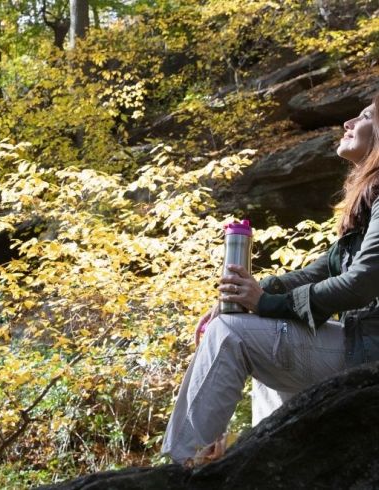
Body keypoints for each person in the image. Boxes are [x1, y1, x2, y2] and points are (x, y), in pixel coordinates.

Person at [162, 96, 379, 465]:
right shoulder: (366, 206)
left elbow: (362, 282)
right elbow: (318, 271)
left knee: (230, 333)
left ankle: (180, 466)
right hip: (362, 347)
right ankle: (263, 471)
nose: (348, 122)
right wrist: (249, 292)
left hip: (370, 353)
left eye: (365, 116)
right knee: (261, 344)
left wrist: (265, 303)